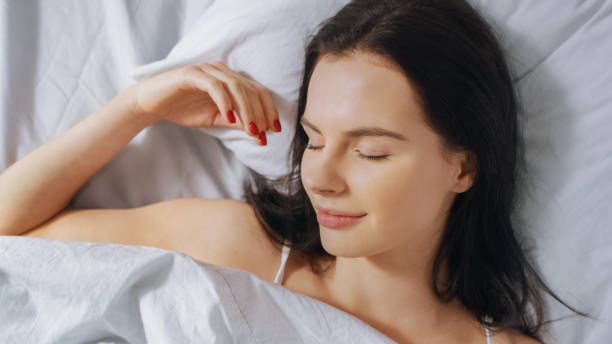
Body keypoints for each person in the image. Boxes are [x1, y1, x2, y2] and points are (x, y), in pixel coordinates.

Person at [0, 0, 586, 342]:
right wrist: (138, 109)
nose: (322, 177)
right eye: (313, 139)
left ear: (464, 166)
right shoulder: (238, 250)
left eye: (370, 151)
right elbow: (14, 240)